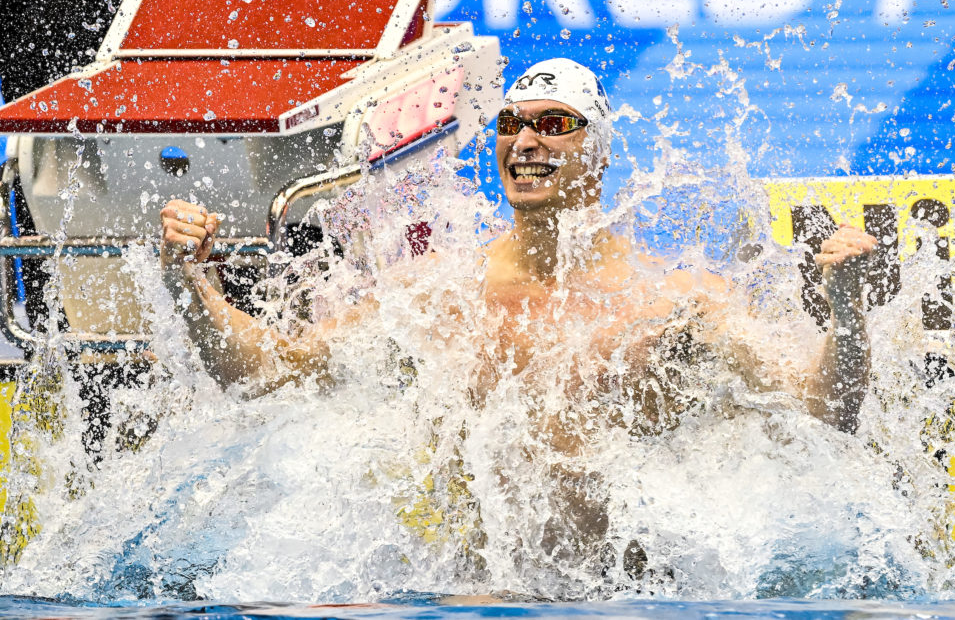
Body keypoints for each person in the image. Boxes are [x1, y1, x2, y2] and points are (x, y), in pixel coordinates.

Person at [160, 57, 876, 436]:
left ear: (598, 154)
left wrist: (847, 316)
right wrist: (193, 286)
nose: (525, 141)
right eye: (509, 123)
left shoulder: (674, 303)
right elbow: (264, 376)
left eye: (554, 123)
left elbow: (822, 408)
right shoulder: (436, 292)